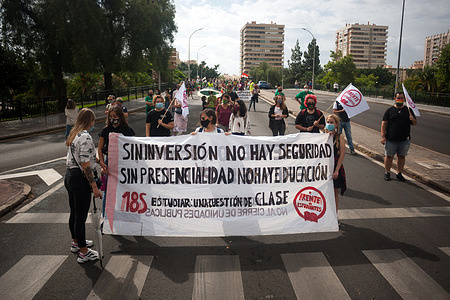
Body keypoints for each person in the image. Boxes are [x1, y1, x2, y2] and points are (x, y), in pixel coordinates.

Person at [64, 108, 102, 263]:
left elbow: (86, 156)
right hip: (80, 180)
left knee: (74, 212)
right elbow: (85, 164)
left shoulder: (75, 134)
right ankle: (84, 253)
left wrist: (100, 163)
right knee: (80, 217)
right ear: (90, 121)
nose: (94, 123)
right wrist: (94, 187)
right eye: (93, 120)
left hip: (70, 176)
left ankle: (76, 243)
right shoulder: (86, 137)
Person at [98, 106, 135, 214]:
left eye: (115, 116)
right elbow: (99, 149)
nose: (112, 118)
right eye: (111, 116)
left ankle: (122, 215)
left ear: (120, 117)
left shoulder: (127, 130)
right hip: (109, 163)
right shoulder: (106, 130)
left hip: (124, 164)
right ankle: (105, 217)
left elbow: (134, 146)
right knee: (108, 191)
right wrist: (102, 165)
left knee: (124, 189)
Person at [381, 92, 417, 181]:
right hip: (391, 139)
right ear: (395, 99)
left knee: (401, 156)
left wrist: (413, 119)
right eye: (398, 98)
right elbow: (383, 124)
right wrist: (383, 136)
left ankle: (399, 173)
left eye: (401, 98)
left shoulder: (408, 110)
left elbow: (414, 123)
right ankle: (387, 172)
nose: (400, 100)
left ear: (404, 99)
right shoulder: (389, 110)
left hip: (404, 139)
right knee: (389, 156)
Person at [325, 114, 346, 214]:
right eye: (328, 122)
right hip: (324, 168)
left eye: (331, 122)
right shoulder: (322, 136)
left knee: (334, 193)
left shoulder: (340, 137)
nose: (329, 124)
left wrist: (337, 170)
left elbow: (342, 154)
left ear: (336, 125)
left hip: (335, 167)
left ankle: (335, 215)